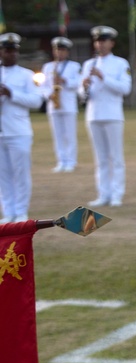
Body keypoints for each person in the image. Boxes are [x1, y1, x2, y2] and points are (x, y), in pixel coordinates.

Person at [79, 25, 132, 208]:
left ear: (111, 43)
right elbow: (81, 93)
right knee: (100, 158)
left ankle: (117, 194)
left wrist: (103, 78)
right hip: (93, 115)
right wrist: (84, 86)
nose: (99, 44)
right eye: (97, 41)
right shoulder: (88, 64)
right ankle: (103, 193)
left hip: (112, 115)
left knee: (116, 157)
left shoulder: (120, 63)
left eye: (103, 41)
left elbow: (125, 89)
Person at [0, 33, 44, 224]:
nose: (11, 54)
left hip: (19, 131)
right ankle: (8, 212)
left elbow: (36, 100)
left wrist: (12, 94)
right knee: (3, 175)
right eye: (7, 50)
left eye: (14, 51)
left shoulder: (26, 75)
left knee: (20, 173)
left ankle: (21, 211)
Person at [40, 36, 81, 174]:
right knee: (57, 135)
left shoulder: (74, 66)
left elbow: (78, 84)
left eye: (62, 50)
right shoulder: (48, 67)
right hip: (54, 104)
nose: (59, 53)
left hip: (68, 104)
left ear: (67, 52)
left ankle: (71, 161)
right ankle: (61, 161)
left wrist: (65, 81)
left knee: (69, 135)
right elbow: (43, 86)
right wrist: (48, 95)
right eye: (57, 50)